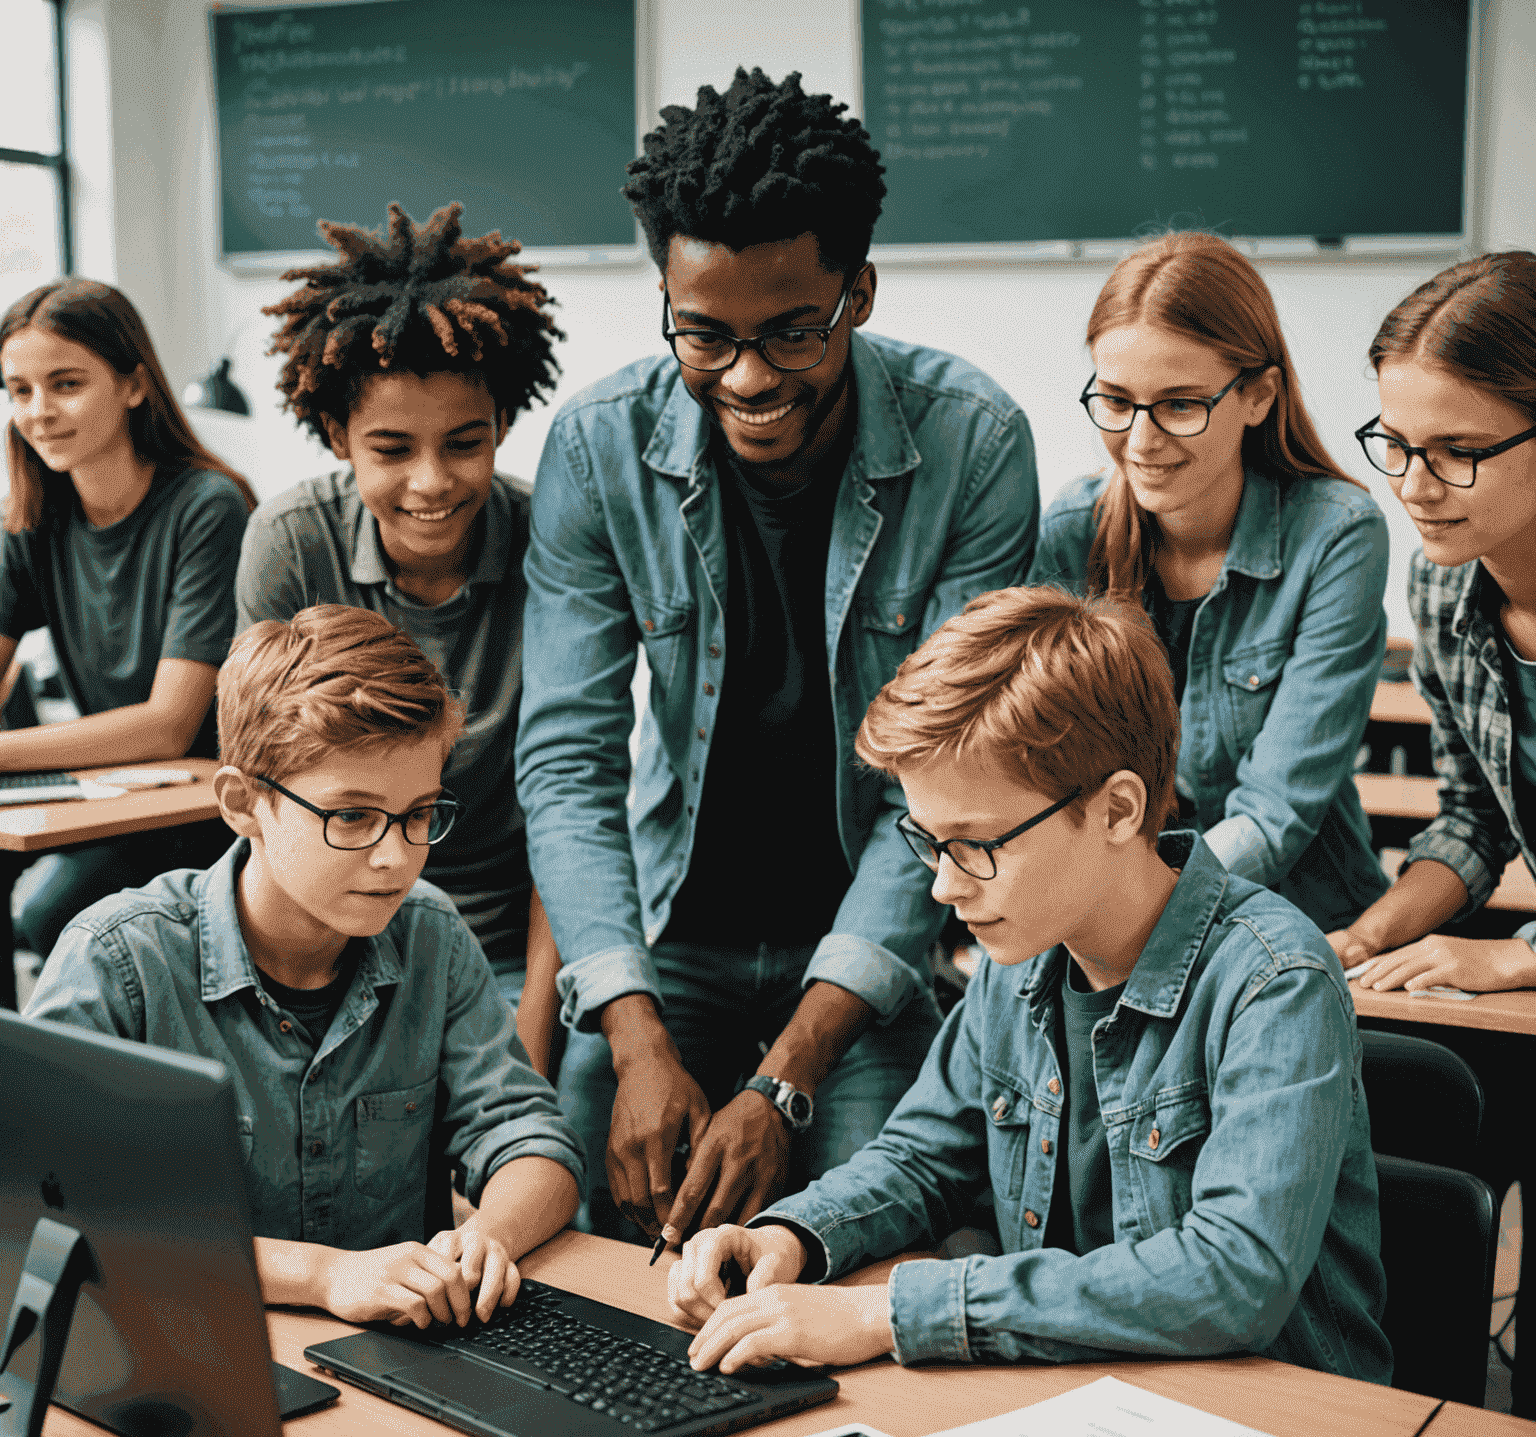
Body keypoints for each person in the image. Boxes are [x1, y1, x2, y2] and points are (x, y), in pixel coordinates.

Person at [516, 68, 1039, 1245]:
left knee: (853, 1242)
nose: (747, 377)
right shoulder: (598, 452)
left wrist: (786, 1079)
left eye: (791, 330)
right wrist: (634, 1035)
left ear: (857, 291)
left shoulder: (974, 444)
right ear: (663, 293)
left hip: (862, 940)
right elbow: (566, 766)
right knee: (591, 1237)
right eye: (703, 333)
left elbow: (957, 779)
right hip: (668, 937)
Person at [667, 585, 1390, 1384]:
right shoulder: (1018, 959)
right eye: (929, 842)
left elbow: (1232, 1276)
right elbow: (921, 1158)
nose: (943, 887)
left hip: (1277, 1417)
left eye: (975, 846)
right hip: (1080, 1400)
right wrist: (791, 1236)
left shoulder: (1275, 981)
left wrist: (887, 1310)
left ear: (1117, 811)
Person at [25, 605, 582, 1327]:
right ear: (241, 803)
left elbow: (532, 1140)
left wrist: (484, 1239)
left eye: (419, 814)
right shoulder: (118, 961)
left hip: (385, 1364)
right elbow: (47, 1203)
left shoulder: (431, 936)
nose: (396, 857)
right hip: (187, 1350)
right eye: (351, 816)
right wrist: (321, 1276)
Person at [238, 202, 565, 1065]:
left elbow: (569, 806)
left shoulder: (554, 542)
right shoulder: (293, 543)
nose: (431, 482)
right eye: (390, 449)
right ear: (339, 435)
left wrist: (529, 1041)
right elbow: (268, 793)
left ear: (502, 423)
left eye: (465, 442)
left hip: (513, 953)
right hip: (332, 940)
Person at [1027, 231, 1389, 934]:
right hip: (1108, 929)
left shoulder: (1338, 534)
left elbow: (1275, 813)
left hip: (1298, 924)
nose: (1140, 441)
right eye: (1116, 401)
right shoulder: (1074, 530)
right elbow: (1041, 769)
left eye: (1180, 404)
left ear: (1258, 395)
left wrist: (1124, 908)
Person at [0, 278, 255, 1010]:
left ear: (135, 384)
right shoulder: (31, 520)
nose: (38, 412)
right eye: (18, 390)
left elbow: (167, 724)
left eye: (66, 384)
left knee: (47, 916)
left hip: (208, 816)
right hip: (107, 806)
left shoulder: (207, 505)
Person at [1331, 251, 1536, 996]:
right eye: (1397, 445)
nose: (1413, 487)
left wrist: (1517, 957)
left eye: (1461, 451)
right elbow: (1476, 820)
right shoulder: (1443, 584)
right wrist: (1367, 935)